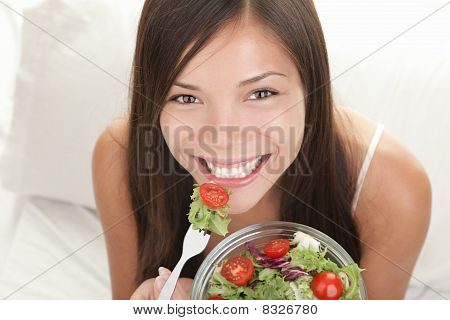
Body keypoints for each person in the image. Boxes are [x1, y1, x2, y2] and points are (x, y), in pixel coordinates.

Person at [92, 0, 431, 300]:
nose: (224, 139)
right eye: (186, 97)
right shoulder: (121, 155)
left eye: (260, 93)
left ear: (311, 86)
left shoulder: (391, 186)